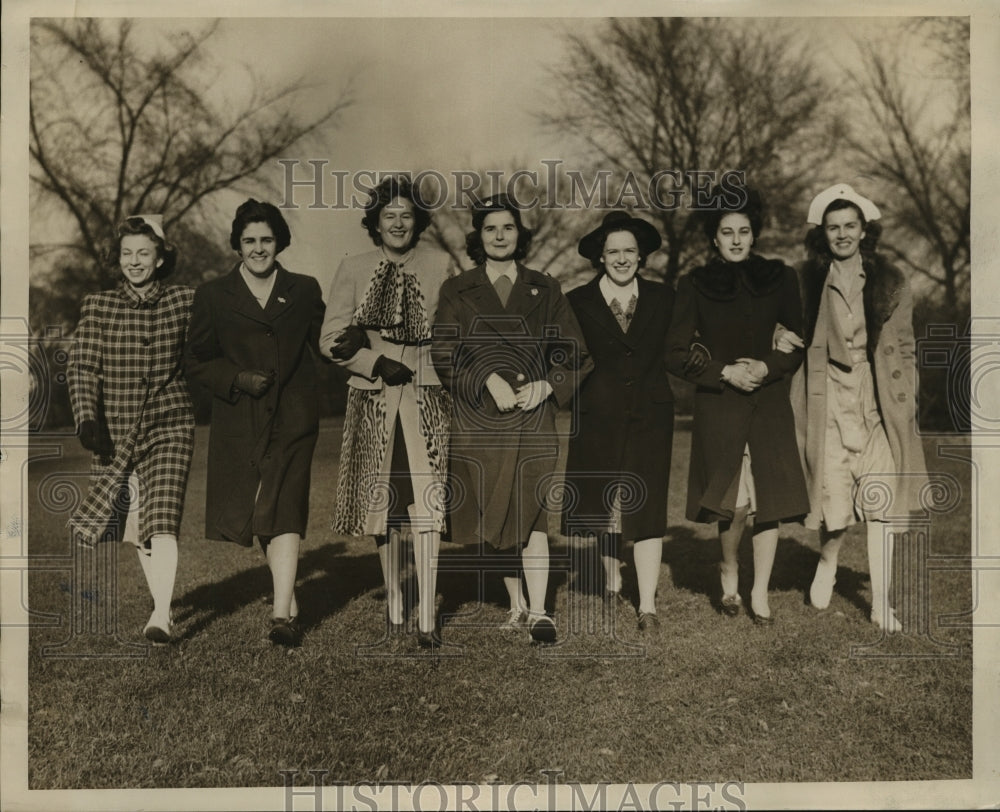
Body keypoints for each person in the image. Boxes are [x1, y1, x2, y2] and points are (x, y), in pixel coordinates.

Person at [432, 194, 592, 644]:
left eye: (507, 228)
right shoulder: (457, 289)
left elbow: (575, 353)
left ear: (520, 235)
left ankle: (541, 612)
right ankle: (516, 604)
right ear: (478, 237)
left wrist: (549, 385)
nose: (500, 236)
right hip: (479, 418)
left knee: (532, 511)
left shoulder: (546, 287)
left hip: (532, 416)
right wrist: (485, 379)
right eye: (490, 229)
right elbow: (444, 353)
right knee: (496, 511)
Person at [779, 183, 928, 632]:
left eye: (850, 226)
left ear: (864, 231)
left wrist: (909, 392)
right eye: (832, 227)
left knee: (881, 500)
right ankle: (828, 560)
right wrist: (781, 337)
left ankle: (881, 603)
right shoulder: (804, 280)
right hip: (825, 398)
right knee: (833, 499)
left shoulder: (891, 281)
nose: (842, 234)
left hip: (877, 396)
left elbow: (904, 344)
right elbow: (784, 331)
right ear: (822, 233)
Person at [319, 175, 454, 648]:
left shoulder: (440, 265)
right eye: (388, 216)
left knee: (427, 504)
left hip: (426, 398)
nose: (397, 224)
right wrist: (374, 360)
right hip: (374, 399)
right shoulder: (353, 267)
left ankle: (428, 617)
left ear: (418, 222)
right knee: (385, 506)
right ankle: (396, 601)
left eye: (406, 216)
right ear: (375, 223)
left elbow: (453, 332)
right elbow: (329, 340)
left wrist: (427, 363)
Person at [184, 199, 324, 647]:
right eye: (249, 241)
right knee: (255, 506)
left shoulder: (303, 288)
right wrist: (236, 377)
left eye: (266, 239)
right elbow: (197, 359)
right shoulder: (212, 295)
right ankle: (287, 594)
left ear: (279, 241)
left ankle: (282, 613)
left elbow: (327, 342)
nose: (259, 249)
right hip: (238, 416)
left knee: (282, 504)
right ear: (237, 246)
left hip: (293, 415)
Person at [666, 185, 809, 624]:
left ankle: (759, 591)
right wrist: (724, 372)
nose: (735, 240)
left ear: (755, 234)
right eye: (726, 231)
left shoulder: (781, 277)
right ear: (714, 237)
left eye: (743, 231)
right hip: (721, 405)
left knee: (769, 500)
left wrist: (767, 366)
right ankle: (729, 572)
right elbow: (674, 353)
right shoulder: (693, 284)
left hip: (768, 404)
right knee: (735, 503)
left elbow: (798, 342)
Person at [68, 214, 194, 643]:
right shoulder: (97, 305)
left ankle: (160, 613)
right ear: (118, 259)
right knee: (138, 524)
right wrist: (86, 416)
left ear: (160, 259)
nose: (135, 261)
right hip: (116, 431)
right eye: (128, 254)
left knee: (164, 517)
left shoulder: (184, 301)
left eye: (144, 253)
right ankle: (164, 609)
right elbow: (83, 366)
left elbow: (212, 346)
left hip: (170, 423)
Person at [562, 211, 680, 632]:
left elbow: (682, 348)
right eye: (613, 251)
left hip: (651, 416)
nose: (622, 258)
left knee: (646, 509)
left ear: (641, 255)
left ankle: (647, 604)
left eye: (630, 250)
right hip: (597, 418)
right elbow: (564, 357)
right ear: (600, 256)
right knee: (605, 508)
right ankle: (613, 579)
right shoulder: (576, 302)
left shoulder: (665, 298)